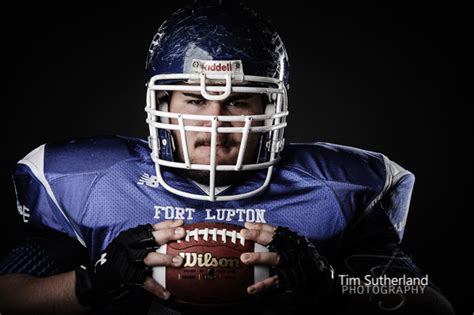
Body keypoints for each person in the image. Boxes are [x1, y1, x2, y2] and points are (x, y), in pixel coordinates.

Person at [0, 1, 454, 314]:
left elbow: (426, 301)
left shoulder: (337, 189)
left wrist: (333, 287)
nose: (214, 120)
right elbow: (10, 297)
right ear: (162, 106)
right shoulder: (94, 183)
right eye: (195, 100)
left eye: (238, 101)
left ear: (268, 108)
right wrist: (91, 282)